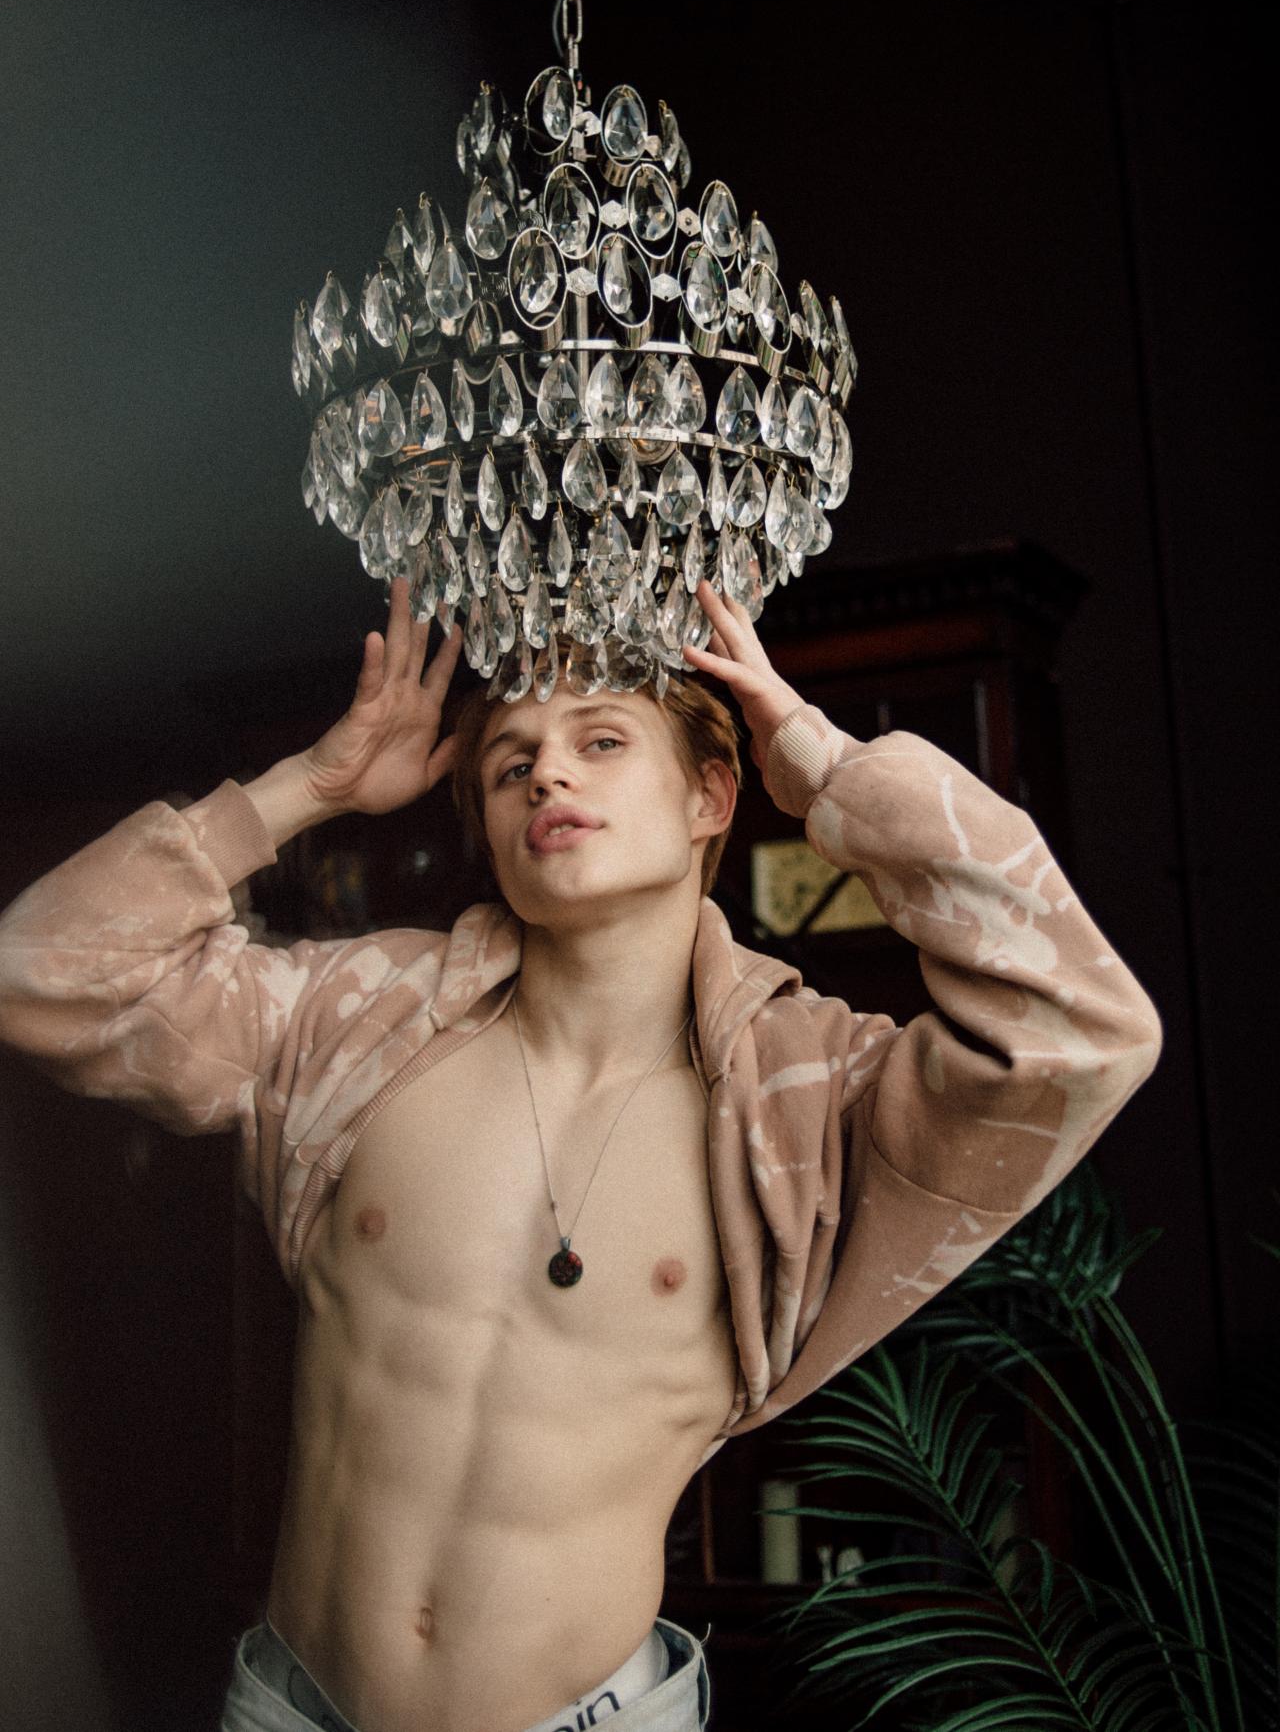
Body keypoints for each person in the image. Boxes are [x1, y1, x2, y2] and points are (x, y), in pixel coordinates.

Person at [0, 575, 1162, 1732]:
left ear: (710, 795)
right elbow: (37, 976)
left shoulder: (804, 1103)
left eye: (600, 741)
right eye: (510, 765)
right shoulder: (356, 1020)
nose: (547, 774)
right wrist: (304, 787)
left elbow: (1081, 1036)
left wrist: (824, 770)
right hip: (294, 1708)